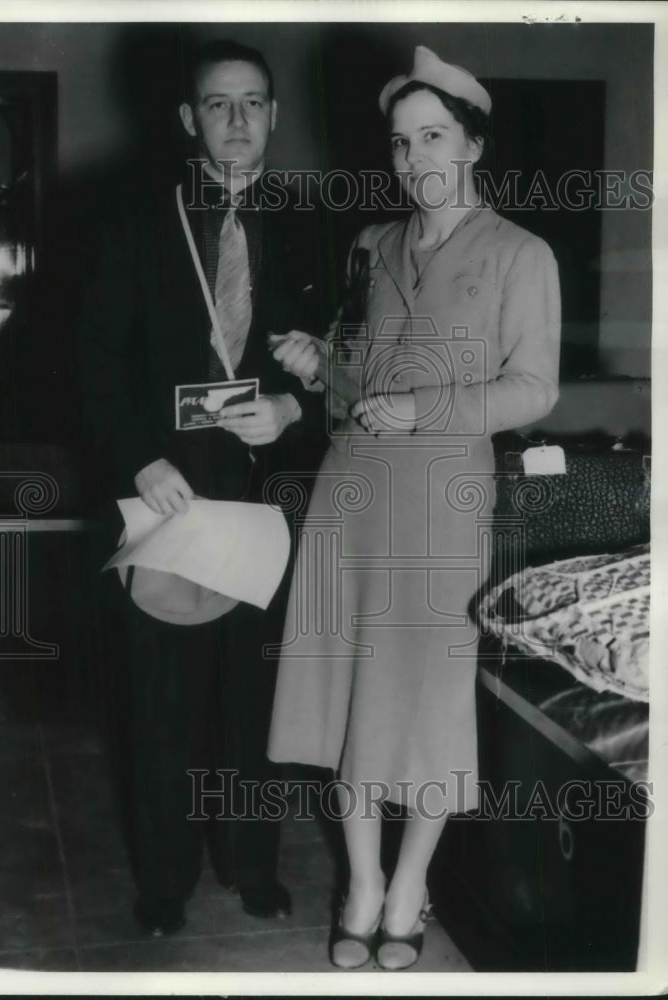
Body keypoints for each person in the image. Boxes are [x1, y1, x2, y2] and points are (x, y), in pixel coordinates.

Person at [268, 45, 561, 970]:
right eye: (400, 144)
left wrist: (425, 407)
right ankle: (361, 882)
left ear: (472, 145)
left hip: (443, 500)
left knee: (428, 707)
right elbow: (353, 386)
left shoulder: (521, 252)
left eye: (434, 138)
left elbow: (533, 390)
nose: (415, 160)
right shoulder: (369, 244)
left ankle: (407, 889)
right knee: (349, 696)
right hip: (351, 493)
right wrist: (322, 368)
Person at [79, 39, 326, 936]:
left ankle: (252, 865)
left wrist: (298, 404)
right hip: (167, 500)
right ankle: (162, 881)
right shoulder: (131, 219)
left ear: (272, 117)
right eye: (216, 105)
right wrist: (138, 457)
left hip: (265, 504)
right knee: (161, 706)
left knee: (253, 705)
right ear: (188, 119)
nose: (236, 122)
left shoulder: (307, 222)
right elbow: (92, 364)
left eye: (252, 103)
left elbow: (341, 360)